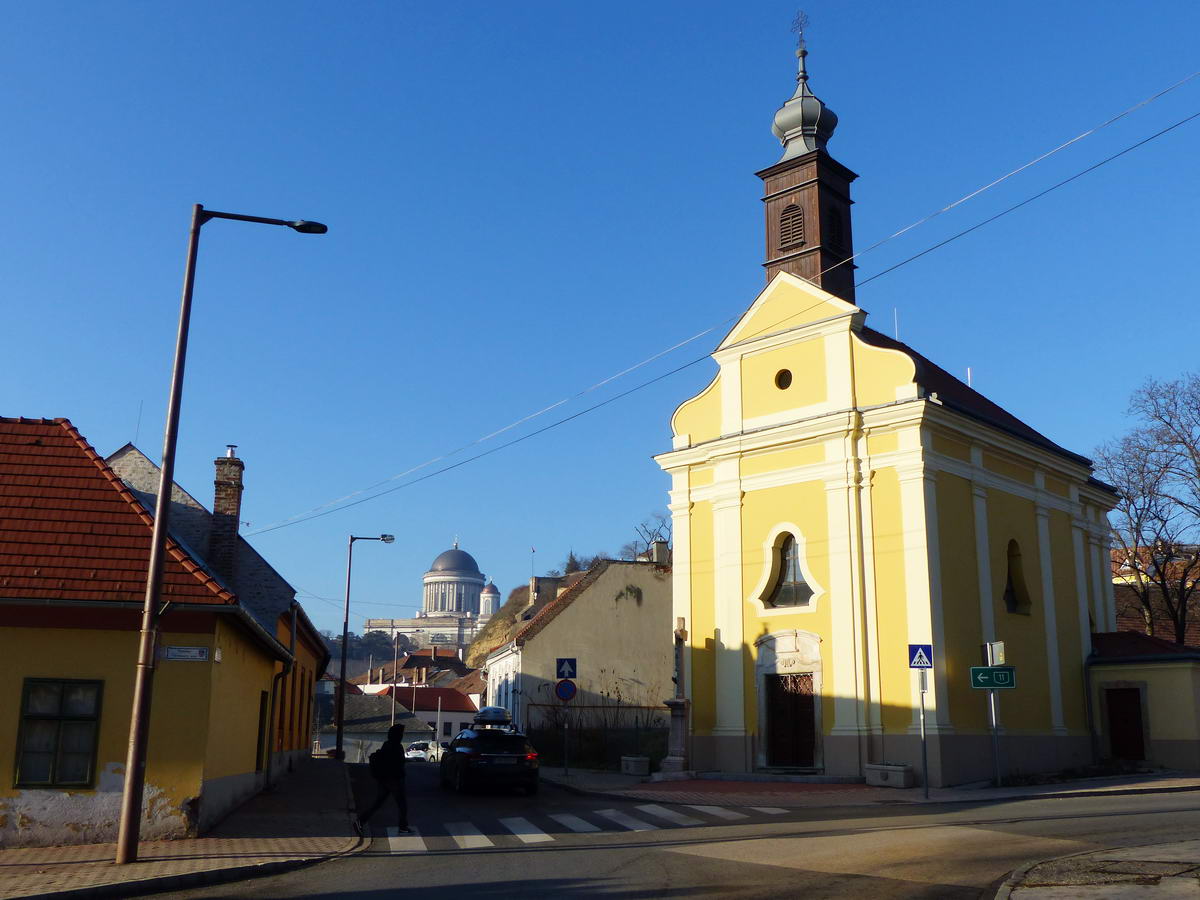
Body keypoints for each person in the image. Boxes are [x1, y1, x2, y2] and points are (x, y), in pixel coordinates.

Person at [358, 723, 409, 833]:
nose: (402, 736)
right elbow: (400, 763)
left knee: (378, 803)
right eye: (401, 733)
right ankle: (403, 827)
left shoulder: (386, 744)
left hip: (384, 779)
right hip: (395, 779)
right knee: (402, 804)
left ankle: (360, 821)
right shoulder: (397, 746)